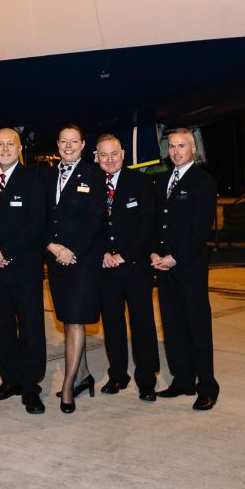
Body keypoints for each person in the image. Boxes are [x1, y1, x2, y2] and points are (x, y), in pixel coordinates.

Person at [0, 128, 47, 415]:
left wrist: (5, 250)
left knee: (31, 329)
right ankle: (10, 380)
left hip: (23, 268)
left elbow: (37, 223)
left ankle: (30, 387)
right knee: (3, 329)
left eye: (11, 144)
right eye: (0, 144)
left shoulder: (33, 180)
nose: (5, 148)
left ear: (19, 148)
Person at [152, 127, 220, 411]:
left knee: (197, 326)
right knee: (172, 326)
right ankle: (182, 380)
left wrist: (175, 258)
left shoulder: (203, 181)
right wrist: (154, 252)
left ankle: (207, 386)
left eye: (182, 146)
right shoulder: (161, 180)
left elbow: (200, 229)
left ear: (193, 149)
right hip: (164, 267)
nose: (176, 152)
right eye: (172, 147)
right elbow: (156, 222)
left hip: (189, 266)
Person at [42, 124, 106, 413]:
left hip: (82, 260)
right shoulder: (46, 176)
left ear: (83, 145)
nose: (68, 146)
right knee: (67, 318)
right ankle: (83, 376)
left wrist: (72, 251)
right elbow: (40, 217)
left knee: (77, 319)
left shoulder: (94, 175)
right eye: (63, 141)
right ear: (57, 145)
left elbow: (95, 219)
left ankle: (68, 385)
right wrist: (53, 248)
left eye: (74, 141)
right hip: (57, 258)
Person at [95, 134, 160, 401]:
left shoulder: (141, 182)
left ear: (123, 154)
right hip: (105, 268)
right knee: (112, 325)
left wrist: (124, 255)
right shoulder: (90, 182)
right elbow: (87, 225)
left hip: (134, 267)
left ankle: (146, 380)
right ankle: (117, 375)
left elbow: (148, 224)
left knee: (142, 323)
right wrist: (101, 254)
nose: (109, 160)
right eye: (104, 155)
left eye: (114, 154)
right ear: (96, 157)